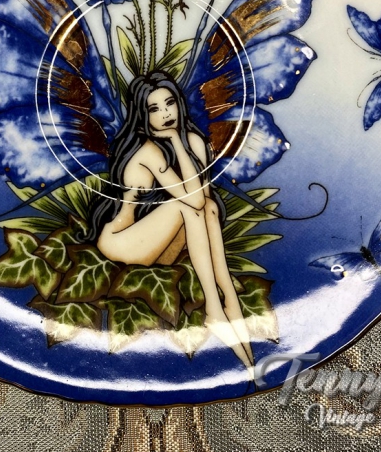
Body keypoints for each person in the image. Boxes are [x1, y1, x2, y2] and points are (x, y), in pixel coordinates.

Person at [84, 70, 254, 371]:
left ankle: (229, 299)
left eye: (170, 103)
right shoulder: (148, 150)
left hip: (157, 247)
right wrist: (175, 141)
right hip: (121, 240)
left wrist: (179, 141)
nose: (165, 114)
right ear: (142, 114)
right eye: (154, 108)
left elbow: (204, 199)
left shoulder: (193, 141)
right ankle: (215, 307)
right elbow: (193, 200)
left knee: (209, 209)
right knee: (187, 207)